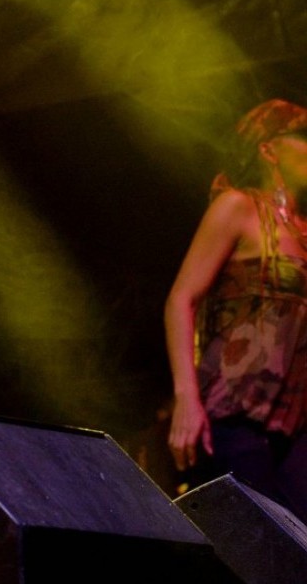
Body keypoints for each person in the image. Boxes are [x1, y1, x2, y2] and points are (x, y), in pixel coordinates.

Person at [165, 98, 307, 521]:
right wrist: (186, 398)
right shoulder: (237, 207)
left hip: (296, 425)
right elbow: (181, 299)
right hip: (234, 414)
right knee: (255, 540)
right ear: (268, 149)